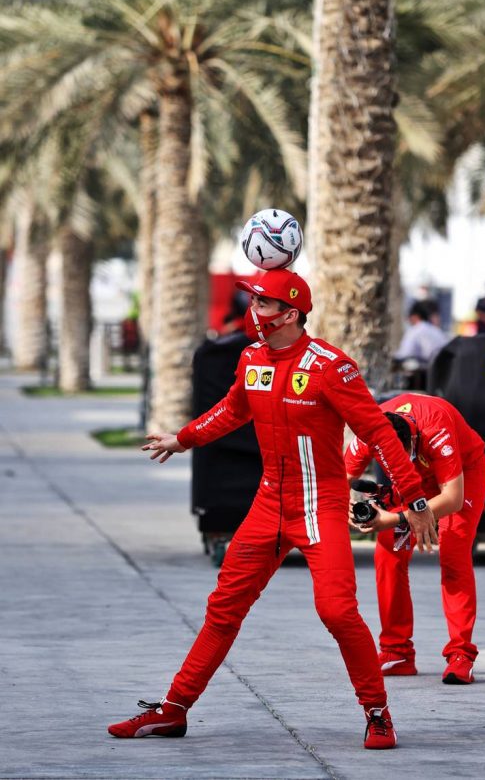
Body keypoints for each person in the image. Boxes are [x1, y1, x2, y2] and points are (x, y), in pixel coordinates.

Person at [108, 267, 437, 750]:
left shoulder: (330, 366)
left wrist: (415, 498)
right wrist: (183, 438)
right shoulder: (251, 358)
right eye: (253, 302)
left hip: (319, 505)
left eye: (262, 304)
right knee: (222, 609)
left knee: (337, 612)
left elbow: (379, 431)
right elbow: (232, 408)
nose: (252, 313)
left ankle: (378, 714)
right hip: (267, 506)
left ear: (290, 313)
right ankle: (172, 710)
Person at [345, 392, 485, 685]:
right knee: (388, 553)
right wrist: (350, 509)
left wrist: (396, 518)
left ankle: (460, 654)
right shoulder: (367, 430)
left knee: (453, 552)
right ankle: (395, 651)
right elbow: (336, 479)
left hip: (460, 476)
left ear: (412, 441)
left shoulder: (436, 428)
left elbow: (452, 499)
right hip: (411, 480)